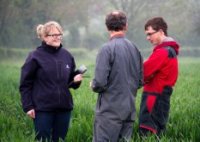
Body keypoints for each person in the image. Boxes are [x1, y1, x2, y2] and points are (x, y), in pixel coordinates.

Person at [19, 21, 83, 142]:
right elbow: (25, 85)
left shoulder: (67, 55)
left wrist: (76, 81)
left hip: (64, 108)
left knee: (59, 140)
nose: (57, 37)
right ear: (44, 37)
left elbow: (69, 82)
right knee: (43, 140)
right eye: (53, 35)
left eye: (59, 34)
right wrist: (28, 106)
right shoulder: (35, 56)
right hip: (42, 109)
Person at [90, 11, 143, 142]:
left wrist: (93, 84)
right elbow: (140, 81)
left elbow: (100, 83)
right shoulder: (135, 48)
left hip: (109, 113)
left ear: (107, 27)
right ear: (126, 26)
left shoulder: (106, 49)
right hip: (129, 111)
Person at [138, 17, 180, 136]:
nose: (148, 38)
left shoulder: (162, 52)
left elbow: (142, 72)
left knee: (147, 131)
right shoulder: (170, 50)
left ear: (161, 32)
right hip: (162, 98)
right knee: (158, 132)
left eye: (150, 34)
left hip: (154, 98)